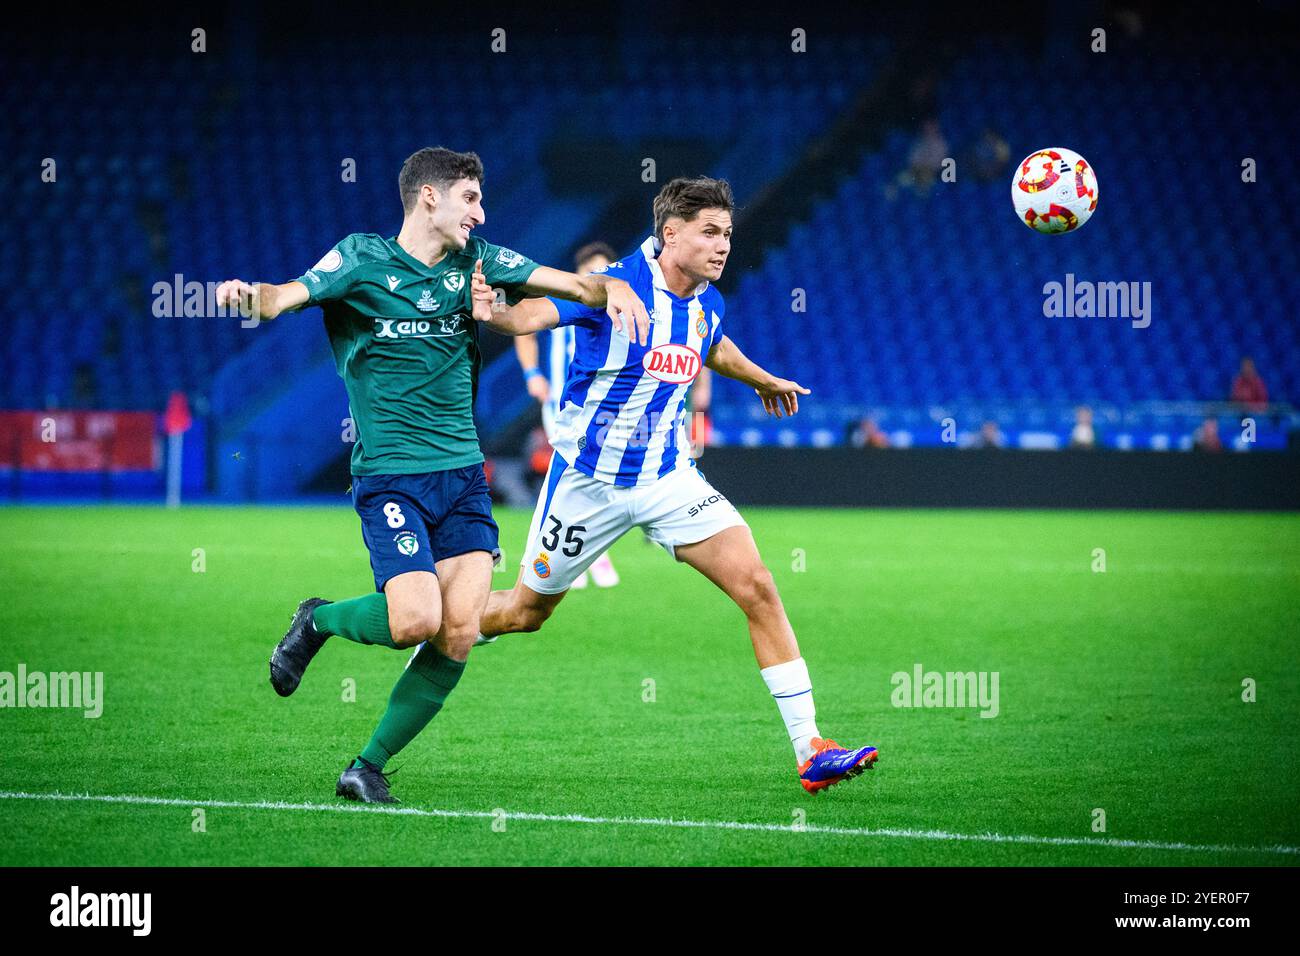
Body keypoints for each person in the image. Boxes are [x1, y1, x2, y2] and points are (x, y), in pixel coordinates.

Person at [214, 147, 649, 804]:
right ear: (430, 198)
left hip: (463, 479)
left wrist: (613, 286)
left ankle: (367, 766)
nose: (481, 211)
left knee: (461, 630)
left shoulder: (479, 262)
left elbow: (572, 285)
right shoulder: (361, 260)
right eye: (470, 198)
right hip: (392, 477)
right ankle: (319, 619)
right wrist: (251, 295)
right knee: (415, 620)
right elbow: (284, 298)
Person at [471, 177, 879, 793]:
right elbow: (536, 312)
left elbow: (713, 347)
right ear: (671, 234)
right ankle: (443, 628)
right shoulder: (615, 284)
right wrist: (495, 314)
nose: (723, 246)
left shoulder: (707, 300)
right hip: (588, 483)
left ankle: (810, 748)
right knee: (524, 614)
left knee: (759, 586)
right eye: (711, 233)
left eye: (728, 235)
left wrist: (764, 380)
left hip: (668, 477)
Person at [513, 242, 623, 588]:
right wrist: (532, 374)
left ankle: (576, 555)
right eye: (592, 272)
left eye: (605, 272)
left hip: (602, 410)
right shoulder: (568, 304)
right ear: (579, 275)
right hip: (562, 407)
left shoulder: (617, 311)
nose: (598, 279)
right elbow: (525, 326)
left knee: (593, 481)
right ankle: (555, 558)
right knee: (573, 478)